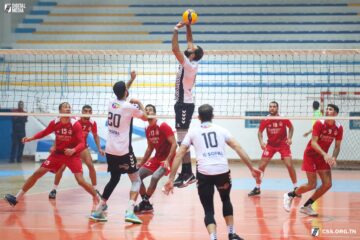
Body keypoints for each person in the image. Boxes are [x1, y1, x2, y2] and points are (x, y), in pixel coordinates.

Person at [163, 104, 261, 240]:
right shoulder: (222, 130)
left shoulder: (192, 132)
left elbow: (180, 154)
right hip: (222, 171)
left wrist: (171, 179)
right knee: (226, 199)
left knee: (208, 209)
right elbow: (237, 147)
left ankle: (213, 238)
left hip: (204, 173)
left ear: (198, 117)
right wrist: (251, 168)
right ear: (213, 116)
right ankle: (231, 234)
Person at [4, 102, 99, 209]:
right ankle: (16, 199)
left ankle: (97, 197)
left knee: (80, 181)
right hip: (57, 154)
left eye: (69, 107)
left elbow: (82, 143)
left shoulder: (75, 124)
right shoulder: (55, 123)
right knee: (37, 173)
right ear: (60, 110)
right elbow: (44, 132)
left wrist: (73, 150)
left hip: (72, 156)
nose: (68, 108)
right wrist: (31, 138)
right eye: (65, 107)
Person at [90, 76, 147, 224]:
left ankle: (98, 211)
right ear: (126, 92)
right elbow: (146, 117)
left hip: (110, 150)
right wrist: (139, 102)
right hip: (124, 151)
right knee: (136, 180)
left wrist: (131, 80)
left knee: (114, 178)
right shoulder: (130, 107)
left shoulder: (111, 103)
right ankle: (130, 211)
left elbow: (122, 93)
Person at [283, 104, 343, 216]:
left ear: (335, 113)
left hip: (322, 157)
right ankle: (290, 195)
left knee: (327, 184)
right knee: (312, 184)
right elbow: (314, 143)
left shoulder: (339, 127)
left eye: (330, 109)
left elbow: (337, 146)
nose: (327, 111)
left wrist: (334, 157)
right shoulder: (319, 123)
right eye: (327, 109)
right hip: (311, 155)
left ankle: (307, 206)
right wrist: (325, 154)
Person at [48, 104, 105, 199]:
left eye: (89, 111)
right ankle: (54, 189)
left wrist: (99, 148)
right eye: (85, 111)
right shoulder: (74, 120)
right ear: (82, 112)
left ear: (91, 113)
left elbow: (95, 135)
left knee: (90, 165)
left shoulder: (92, 122)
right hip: (69, 146)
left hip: (82, 147)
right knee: (61, 168)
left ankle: (95, 189)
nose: (87, 113)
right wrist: (54, 145)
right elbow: (59, 133)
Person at [171, 20, 204, 188]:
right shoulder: (192, 60)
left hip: (184, 104)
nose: (189, 47)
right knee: (180, 140)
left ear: (192, 55)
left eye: (191, 48)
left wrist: (176, 30)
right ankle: (185, 172)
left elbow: (175, 49)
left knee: (182, 140)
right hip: (182, 104)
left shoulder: (188, 64)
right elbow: (190, 42)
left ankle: (189, 173)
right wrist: (188, 24)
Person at [248, 101, 298, 197]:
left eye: (274, 106)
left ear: (277, 108)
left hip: (283, 144)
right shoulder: (266, 119)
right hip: (270, 145)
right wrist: (261, 142)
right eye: (270, 106)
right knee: (261, 166)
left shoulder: (282, 117)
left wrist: (290, 138)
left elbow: (291, 127)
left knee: (289, 164)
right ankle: (257, 188)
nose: (272, 108)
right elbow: (259, 132)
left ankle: (296, 187)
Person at [134, 104, 177, 213]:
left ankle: (144, 202)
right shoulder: (148, 129)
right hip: (157, 158)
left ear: (155, 113)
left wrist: (167, 160)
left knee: (155, 177)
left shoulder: (162, 125)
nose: (148, 112)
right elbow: (149, 148)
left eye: (150, 110)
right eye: (146, 110)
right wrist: (141, 163)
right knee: (136, 176)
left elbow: (174, 144)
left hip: (168, 159)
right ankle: (146, 203)